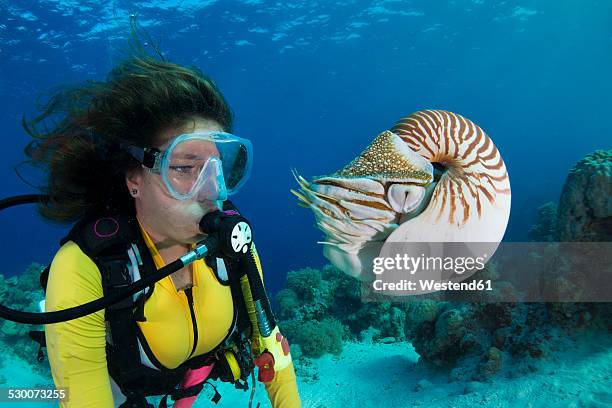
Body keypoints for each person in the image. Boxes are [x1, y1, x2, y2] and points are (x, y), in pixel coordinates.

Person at [22, 53, 301, 407]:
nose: (213, 191)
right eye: (186, 168)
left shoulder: (233, 245)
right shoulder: (85, 266)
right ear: (134, 179)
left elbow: (271, 345)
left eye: (218, 169)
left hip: (192, 371)